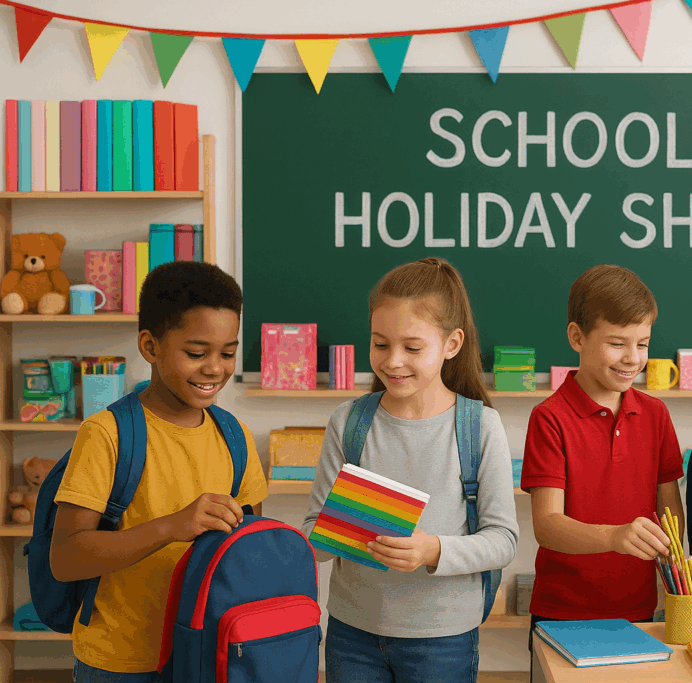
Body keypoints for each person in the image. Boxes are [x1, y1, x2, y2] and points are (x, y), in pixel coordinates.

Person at [302, 257, 518, 683]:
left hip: (443, 638)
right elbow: (315, 533)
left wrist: (432, 550)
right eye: (380, 344)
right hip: (352, 632)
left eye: (412, 348)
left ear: (451, 344)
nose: (393, 361)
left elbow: (503, 540)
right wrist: (326, 538)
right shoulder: (349, 422)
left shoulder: (479, 426)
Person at [50, 261, 268, 681]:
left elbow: (245, 549)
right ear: (150, 347)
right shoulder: (106, 434)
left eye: (227, 353)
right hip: (121, 662)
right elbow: (66, 558)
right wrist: (173, 526)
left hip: (206, 653)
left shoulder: (235, 436)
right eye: (196, 353)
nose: (215, 369)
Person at [521, 264, 684, 666]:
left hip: (638, 613)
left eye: (643, 344)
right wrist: (614, 537)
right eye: (617, 343)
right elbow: (547, 525)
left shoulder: (655, 414)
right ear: (577, 336)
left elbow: (669, 510)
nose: (633, 359)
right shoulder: (550, 417)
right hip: (562, 616)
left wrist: (677, 572)